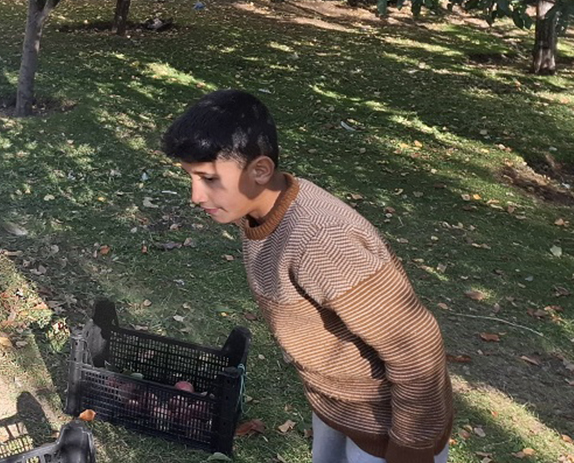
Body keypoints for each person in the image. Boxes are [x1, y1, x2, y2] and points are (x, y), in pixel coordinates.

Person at [161, 89, 452, 463]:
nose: (195, 195)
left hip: (389, 425)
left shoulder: (320, 240)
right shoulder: (259, 210)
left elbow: (417, 348)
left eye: (209, 179)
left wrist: (410, 449)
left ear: (261, 171)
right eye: (191, 178)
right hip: (339, 406)